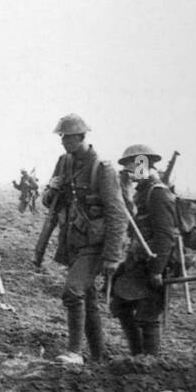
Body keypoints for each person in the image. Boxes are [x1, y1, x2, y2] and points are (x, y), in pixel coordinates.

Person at [38, 113, 126, 365]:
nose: (63, 141)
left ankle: (74, 352)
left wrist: (112, 255)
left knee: (72, 292)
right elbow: (49, 203)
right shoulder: (64, 163)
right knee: (87, 299)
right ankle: (98, 358)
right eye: (62, 137)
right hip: (73, 241)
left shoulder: (103, 169)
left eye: (68, 137)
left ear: (82, 137)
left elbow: (117, 214)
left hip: (95, 245)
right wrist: (51, 189)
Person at [109, 145, 177, 356]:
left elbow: (165, 236)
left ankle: (149, 363)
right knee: (120, 305)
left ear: (145, 164)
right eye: (129, 164)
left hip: (155, 264)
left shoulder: (158, 193)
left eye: (135, 164)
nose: (130, 169)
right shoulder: (142, 192)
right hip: (138, 261)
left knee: (148, 315)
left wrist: (157, 269)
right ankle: (138, 356)